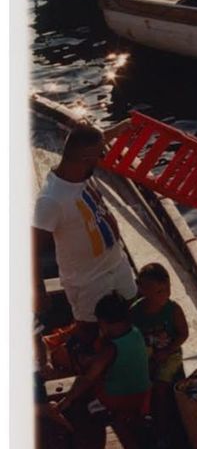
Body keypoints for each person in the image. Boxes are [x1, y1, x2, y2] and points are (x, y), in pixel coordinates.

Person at [33, 121, 136, 342]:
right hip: (88, 281)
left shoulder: (80, 172)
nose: (102, 159)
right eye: (100, 155)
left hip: (116, 263)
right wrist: (38, 291)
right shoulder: (51, 200)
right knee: (90, 330)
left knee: (129, 312)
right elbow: (31, 248)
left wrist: (122, 128)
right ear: (86, 159)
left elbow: (94, 142)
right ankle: (59, 342)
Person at [57, 292, 152, 449]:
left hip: (118, 399)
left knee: (82, 402)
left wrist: (66, 400)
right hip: (143, 393)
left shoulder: (110, 348)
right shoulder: (135, 332)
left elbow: (88, 378)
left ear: (104, 323)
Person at [130, 262, 189, 438]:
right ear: (143, 291)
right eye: (159, 292)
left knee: (161, 387)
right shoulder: (135, 312)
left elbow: (183, 334)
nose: (166, 295)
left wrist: (167, 351)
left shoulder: (173, 309)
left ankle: (163, 427)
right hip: (146, 353)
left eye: (167, 289)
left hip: (170, 353)